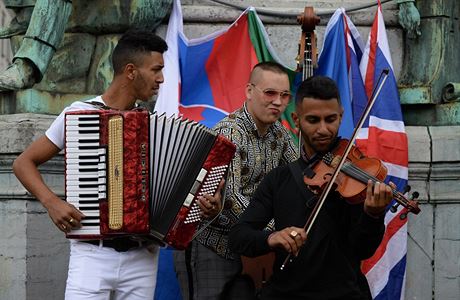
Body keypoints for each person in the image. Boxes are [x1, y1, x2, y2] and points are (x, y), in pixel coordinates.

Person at [12, 29, 221, 299]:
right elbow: (23, 163)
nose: (161, 79)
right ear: (131, 71)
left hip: (143, 257)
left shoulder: (155, 126)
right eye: (156, 69)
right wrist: (52, 203)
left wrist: (205, 205)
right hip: (91, 255)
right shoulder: (80, 113)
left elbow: (178, 192)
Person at [229, 76, 394, 300]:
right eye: (313, 120)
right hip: (286, 294)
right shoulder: (279, 179)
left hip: (344, 294)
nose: (323, 129)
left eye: (331, 119)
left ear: (341, 117)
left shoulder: (355, 181)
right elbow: (239, 237)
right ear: (296, 120)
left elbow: (363, 249)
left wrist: (373, 215)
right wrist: (272, 238)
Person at [173, 61, 299, 300]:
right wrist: (276, 233)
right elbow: (231, 199)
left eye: (285, 96)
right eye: (270, 93)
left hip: (248, 244)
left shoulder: (280, 133)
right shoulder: (230, 132)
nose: (278, 102)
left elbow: (298, 177)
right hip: (211, 244)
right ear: (249, 91)